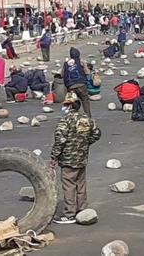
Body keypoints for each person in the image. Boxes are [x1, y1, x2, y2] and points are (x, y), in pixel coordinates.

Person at [50, 92, 101, 224]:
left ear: (69, 105)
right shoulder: (86, 119)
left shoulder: (65, 120)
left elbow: (60, 139)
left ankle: (69, 214)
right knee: (81, 184)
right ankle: (81, 209)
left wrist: (54, 156)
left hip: (67, 158)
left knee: (69, 186)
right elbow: (96, 134)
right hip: (82, 157)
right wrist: (84, 143)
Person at [62, 47, 92, 117]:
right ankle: (88, 117)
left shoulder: (66, 63)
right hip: (81, 84)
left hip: (70, 86)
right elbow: (87, 72)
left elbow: (62, 74)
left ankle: (73, 117)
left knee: (72, 102)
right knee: (85, 100)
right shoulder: (81, 61)